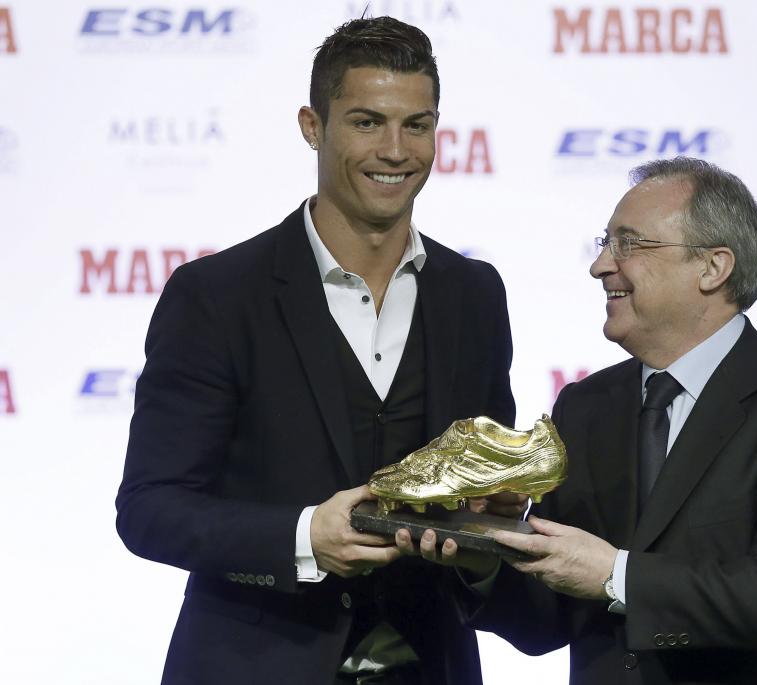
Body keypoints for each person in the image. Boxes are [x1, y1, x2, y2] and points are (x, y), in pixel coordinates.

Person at [115, 16, 514, 685]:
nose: (396, 150)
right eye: (366, 122)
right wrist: (304, 538)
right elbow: (151, 509)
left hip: (431, 664)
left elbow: (482, 493)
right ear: (312, 126)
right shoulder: (217, 296)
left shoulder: (474, 293)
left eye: (416, 124)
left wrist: (486, 528)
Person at [455, 157, 757, 684]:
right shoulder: (586, 406)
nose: (601, 265)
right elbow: (548, 620)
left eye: (629, 244)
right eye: (605, 243)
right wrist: (486, 552)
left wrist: (615, 575)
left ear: (712, 267)